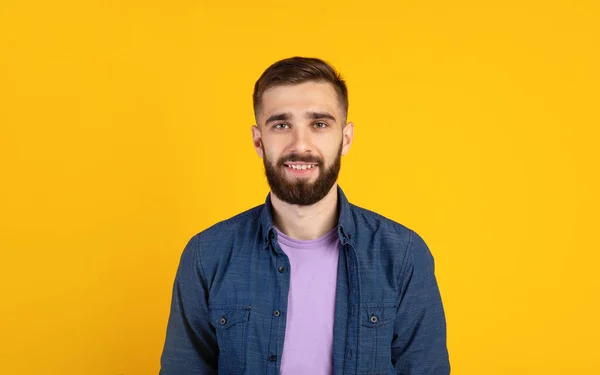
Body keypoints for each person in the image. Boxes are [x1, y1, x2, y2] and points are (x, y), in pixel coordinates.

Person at [159, 57, 450, 375]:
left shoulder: (403, 255)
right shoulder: (207, 255)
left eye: (319, 124)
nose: (300, 145)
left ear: (346, 138)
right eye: (281, 125)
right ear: (259, 140)